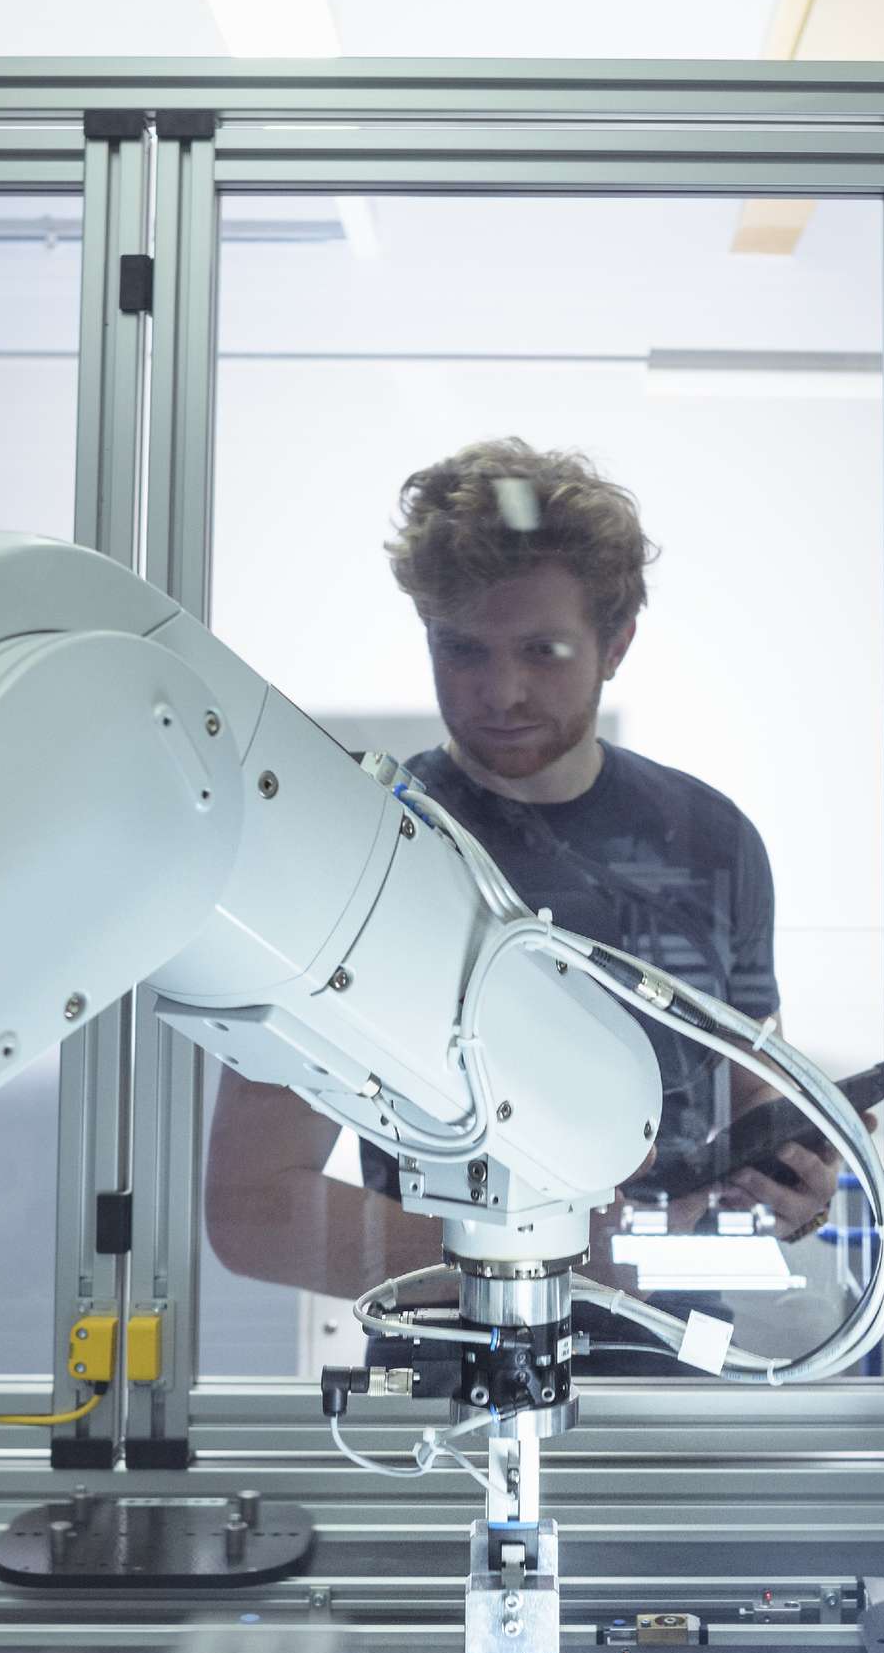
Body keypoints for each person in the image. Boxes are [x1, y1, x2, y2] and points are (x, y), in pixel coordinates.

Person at [204, 439, 844, 1300]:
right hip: (452, 1383)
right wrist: (556, 1259)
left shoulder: (711, 840)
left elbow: (750, 1111)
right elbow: (251, 1211)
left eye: (542, 652)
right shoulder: (362, 853)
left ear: (614, 644)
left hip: (681, 1386)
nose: (499, 692)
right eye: (462, 650)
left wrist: (796, 1188)